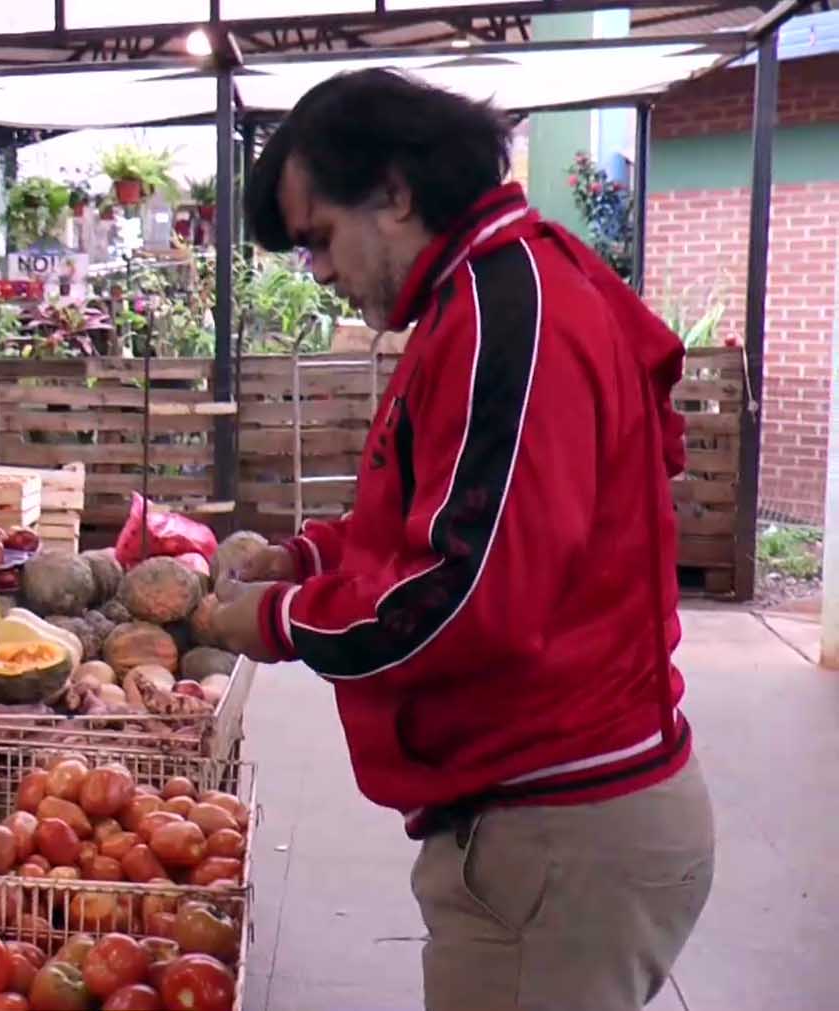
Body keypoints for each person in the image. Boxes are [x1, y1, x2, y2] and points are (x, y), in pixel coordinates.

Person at [221, 69, 715, 1011]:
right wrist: (309, 557)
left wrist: (280, 618)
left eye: (318, 236)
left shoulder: (505, 309)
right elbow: (449, 516)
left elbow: (470, 595)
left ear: (396, 191)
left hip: (557, 830)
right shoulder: (497, 289)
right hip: (547, 824)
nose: (316, 270)